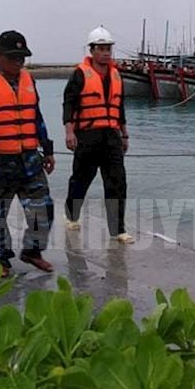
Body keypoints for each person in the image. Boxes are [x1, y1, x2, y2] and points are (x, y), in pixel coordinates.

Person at [0, 30, 56, 277]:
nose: (18, 62)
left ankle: (32, 252)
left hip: (30, 160)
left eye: (21, 58)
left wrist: (47, 149)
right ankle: (0, 260)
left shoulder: (29, 80)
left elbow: (36, 116)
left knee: (43, 209)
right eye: (12, 57)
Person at [62, 26, 135, 244]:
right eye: (101, 49)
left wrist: (124, 135)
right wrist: (69, 131)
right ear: (92, 50)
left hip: (111, 136)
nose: (105, 53)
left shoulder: (116, 75)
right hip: (87, 135)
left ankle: (118, 229)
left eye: (108, 49)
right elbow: (69, 104)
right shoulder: (80, 74)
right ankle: (71, 215)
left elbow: (119, 107)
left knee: (117, 182)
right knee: (81, 179)